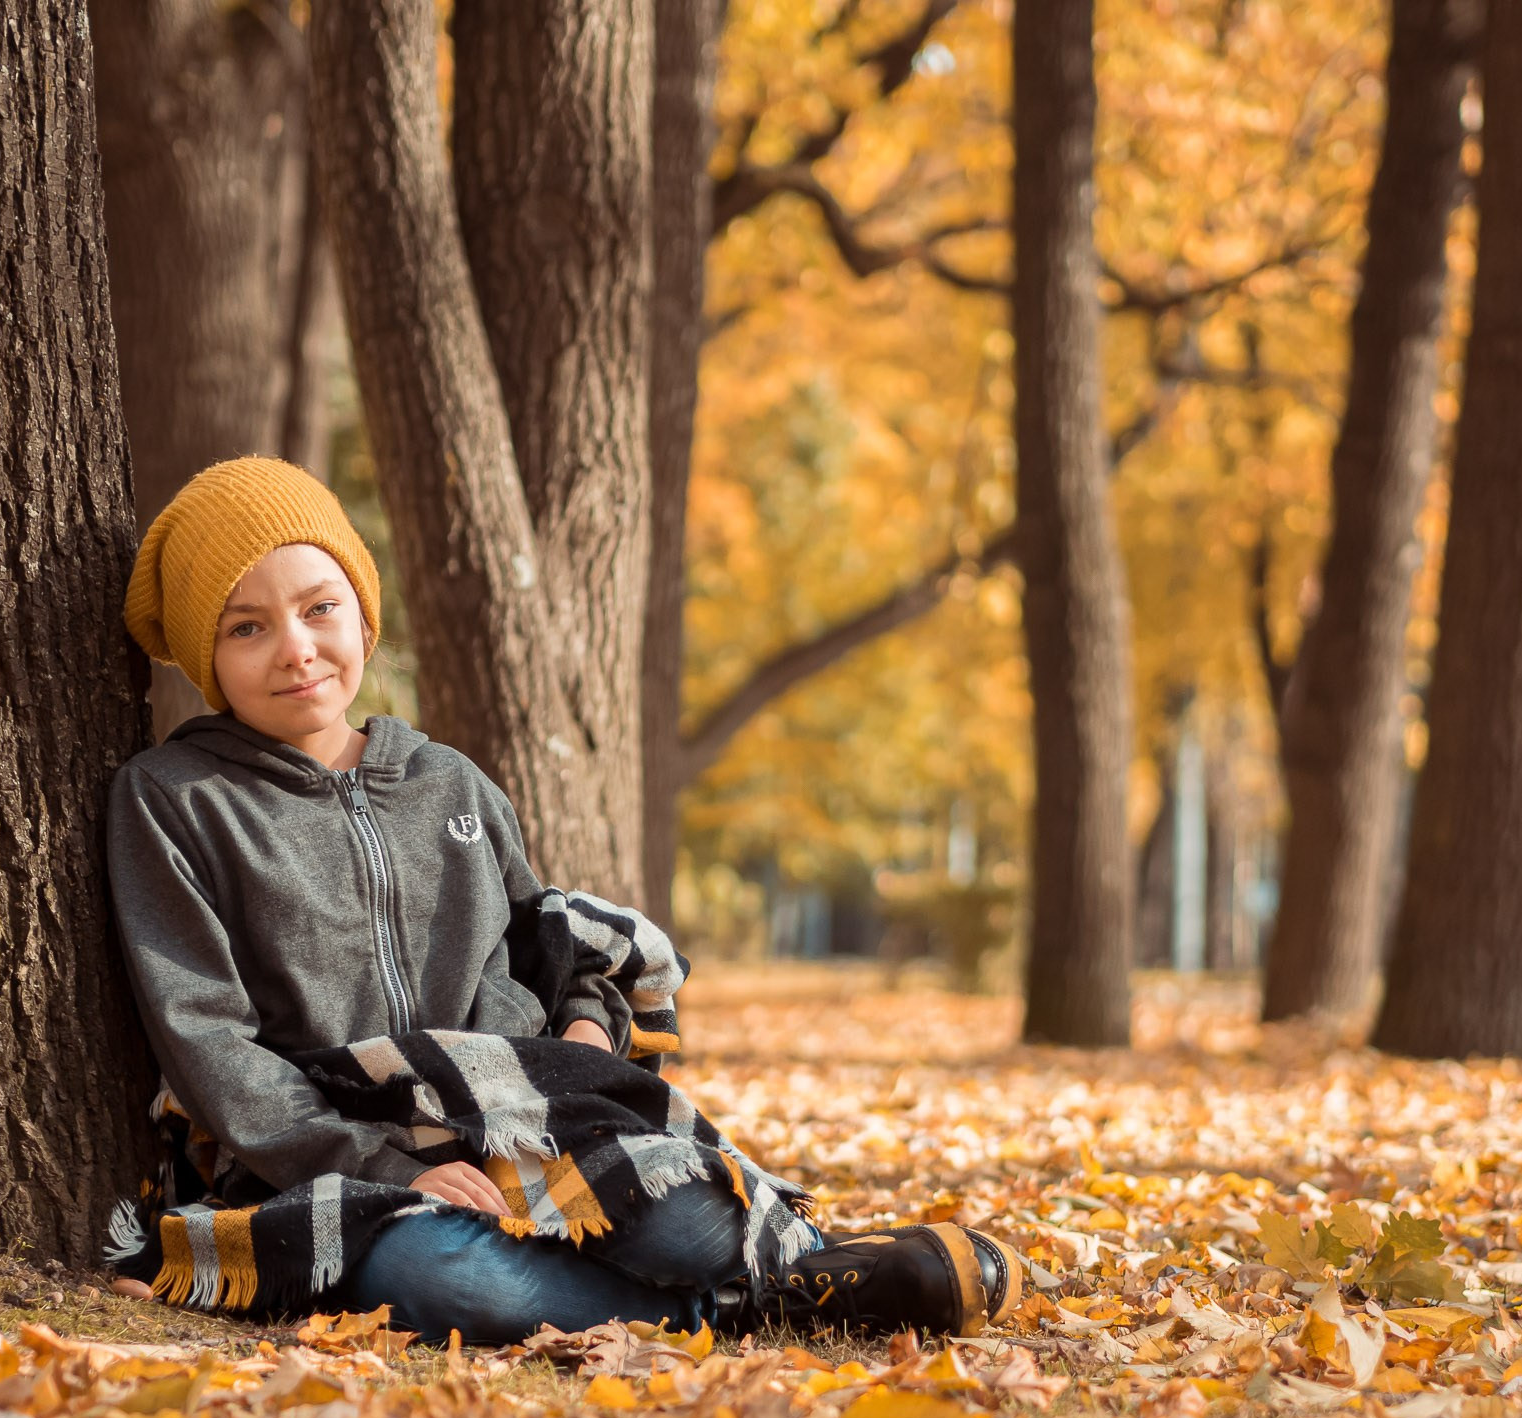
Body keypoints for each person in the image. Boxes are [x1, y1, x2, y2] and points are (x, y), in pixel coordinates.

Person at [105, 458, 1018, 1345]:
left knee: (688, 1220)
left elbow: (547, 933)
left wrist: (585, 1027)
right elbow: (208, 1039)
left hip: (514, 1114)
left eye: (319, 608)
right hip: (325, 1158)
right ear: (205, 656)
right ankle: (773, 1303)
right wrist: (386, 1166)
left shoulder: (447, 782)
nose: (297, 649)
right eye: (247, 628)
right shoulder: (175, 799)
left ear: (362, 614)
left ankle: (797, 1271)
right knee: (441, 1277)